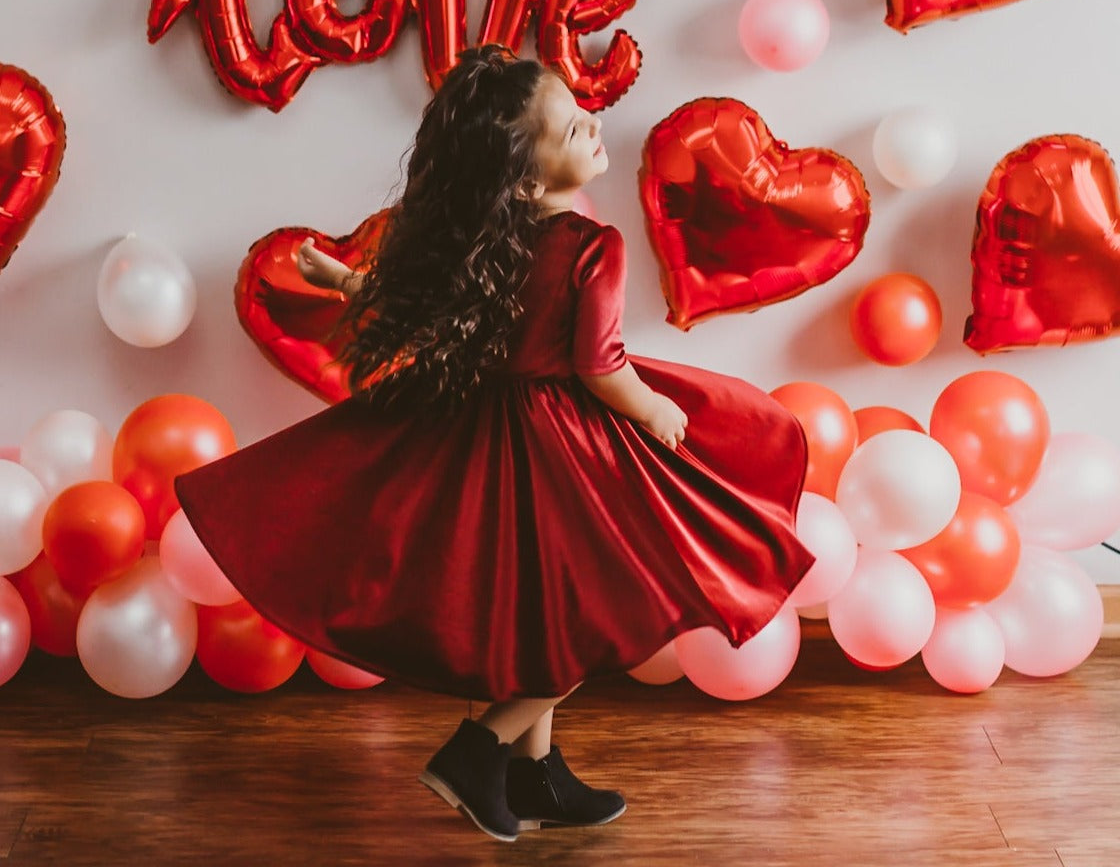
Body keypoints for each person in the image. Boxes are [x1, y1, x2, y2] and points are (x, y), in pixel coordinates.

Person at [175, 45, 814, 843]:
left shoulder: (492, 247)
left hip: (484, 432)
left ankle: (532, 776)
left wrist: (343, 280)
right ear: (525, 178)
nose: (592, 123)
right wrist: (651, 410)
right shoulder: (591, 246)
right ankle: (477, 753)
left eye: (583, 113)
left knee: (536, 620)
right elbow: (599, 365)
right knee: (602, 611)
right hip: (562, 446)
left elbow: (416, 301)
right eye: (571, 126)